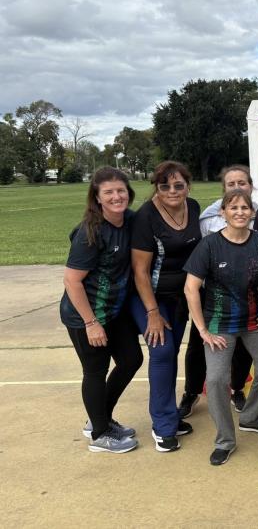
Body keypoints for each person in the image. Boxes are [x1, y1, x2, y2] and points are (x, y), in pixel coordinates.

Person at [183, 189, 258, 466]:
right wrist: (202, 331)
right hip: (218, 324)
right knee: (215, 380)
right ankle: (225, 440)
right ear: (222, 212)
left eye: (245, 208)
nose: (239, 212)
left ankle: (249, 417)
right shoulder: (210, 245)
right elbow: (191, 289)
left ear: (252, 213)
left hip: (253, 320)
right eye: (233, 207)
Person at [61, 167, 143, 453]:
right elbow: (72, 281)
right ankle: (99, 435)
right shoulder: (90, 232)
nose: (116, 196)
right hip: (85, 313)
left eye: (121, 190)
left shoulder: (130, 220)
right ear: (97, 198)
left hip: (114, 310)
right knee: (95, 370)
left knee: (132, 359)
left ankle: (100, 417)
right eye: (108, 192)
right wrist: (91, 323)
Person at [130, 160, 201, 452]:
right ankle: (163, 427)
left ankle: (169, 415)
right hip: (148, 298)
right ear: (156, 188)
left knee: (172, 354)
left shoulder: (193, 207)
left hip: (180, 298)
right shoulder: (145, 216)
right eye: (164, 186)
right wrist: (152, 313)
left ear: (187, 186)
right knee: (162, 352)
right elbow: (140, 272)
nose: (172, 191)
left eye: (178, 185)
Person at [179, 165, 255, 420]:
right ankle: (191, 392)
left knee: (243, 347)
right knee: (199, 345)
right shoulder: (208, 218)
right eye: (231, 184)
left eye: (242, 183)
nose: (236, 188)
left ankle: (238, 388)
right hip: (212, 297)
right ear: (223, 189)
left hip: (246, 296)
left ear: (251, 186)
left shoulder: (257, 215)